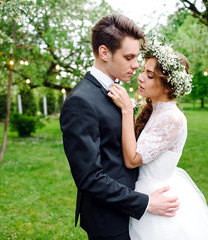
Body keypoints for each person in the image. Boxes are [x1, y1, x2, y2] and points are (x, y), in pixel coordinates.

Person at [59, 14, 180, 240]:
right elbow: (89, 178)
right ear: (104, 53)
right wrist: (145, 203)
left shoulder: (116, 90)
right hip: (109, 220)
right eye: (129, 57)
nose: (136, 66)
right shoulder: (80, 102)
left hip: (130, 213)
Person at [108, 40, 208, 239]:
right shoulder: (153, 109)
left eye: (150, 75)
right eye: (143, 71)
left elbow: (132, 159)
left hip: (158, 200)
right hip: (145, 193)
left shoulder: (172, 118)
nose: (141, 78)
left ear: (168, 87)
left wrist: (127, 111)